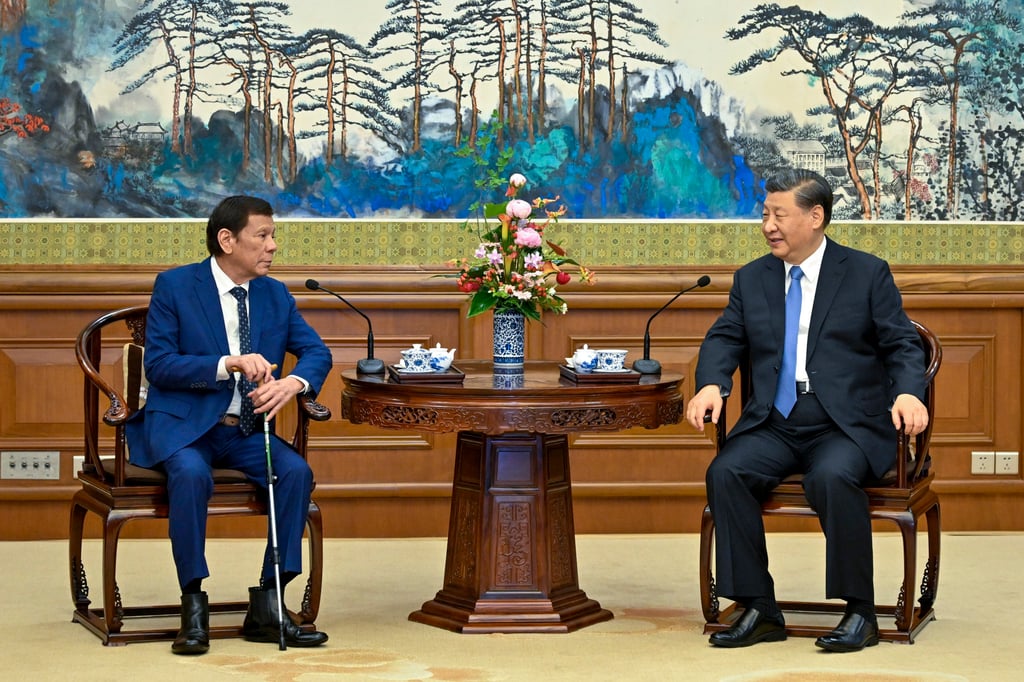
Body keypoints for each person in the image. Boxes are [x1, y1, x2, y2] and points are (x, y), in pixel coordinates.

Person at [684, 169, 929, 653]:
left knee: (831, 477)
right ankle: (759, 608)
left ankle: (860, 612)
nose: (768, 226)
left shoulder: (865, 272)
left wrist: (908, 392)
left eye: (779, 215)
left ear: (815, 217)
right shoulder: (752, 278)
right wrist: (712, 383)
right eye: (765, 214)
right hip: (775, 422)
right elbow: (725, 337)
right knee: (727, 472)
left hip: (843, 424)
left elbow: (902, 343)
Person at [126, 195, 332, 655]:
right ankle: (193, 603)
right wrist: (227, 363)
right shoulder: (176, 286)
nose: (272, 246)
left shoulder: (275, 294)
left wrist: (293, 383)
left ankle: (269, 603)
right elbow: (159, 365)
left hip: (244, 431)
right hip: (186, 428)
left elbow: (317, 351)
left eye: (273, 236)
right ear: (227, 239)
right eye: (263, 235)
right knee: (190, 474)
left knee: (295, 472)